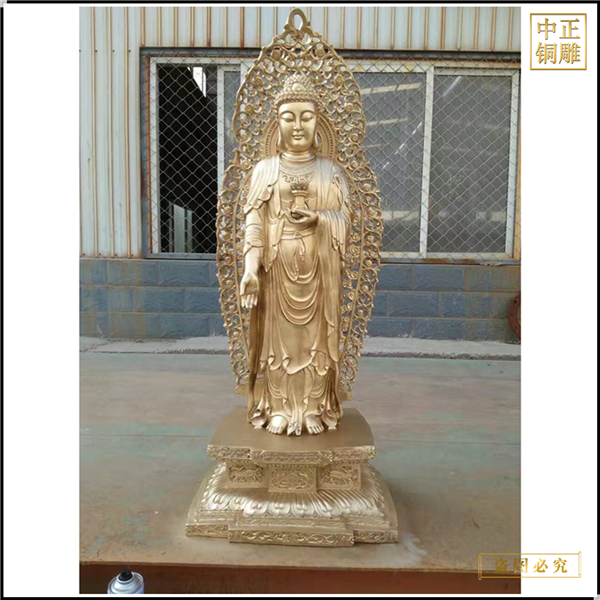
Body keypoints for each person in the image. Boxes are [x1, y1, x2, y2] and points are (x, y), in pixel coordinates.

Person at [240, 74, 351, 436]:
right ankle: (279, 409)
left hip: (319, 273)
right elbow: (254, 221)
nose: (298, 126)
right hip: (276, 272)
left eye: (307, 117)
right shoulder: (265, 171)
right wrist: (250, 269)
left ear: (318, 123)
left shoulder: (330, 172)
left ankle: (312, 409)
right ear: (277, 124)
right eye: (289, 117)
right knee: (279, 347)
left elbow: (347, 222)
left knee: (315, 344)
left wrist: (320, 218)